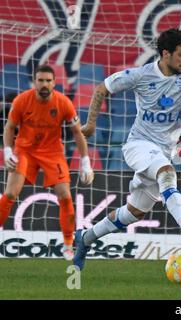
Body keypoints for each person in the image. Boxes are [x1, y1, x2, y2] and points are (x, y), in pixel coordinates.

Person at [73, 28, 181, 270]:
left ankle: (84, 238)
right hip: (138, 145)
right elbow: (102, 88)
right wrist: (91, 123)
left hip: (163, 152)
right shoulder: (141, 75)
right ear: (166, 54)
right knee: (167, 173)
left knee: (133, 213)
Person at [0, 65, 94, 260]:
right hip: (24, 150)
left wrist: (86, 162)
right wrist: (8, 151)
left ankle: (68, 245)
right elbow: (9, 128)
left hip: (52, 152)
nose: (44, 84)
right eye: (41, 80)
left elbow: (77, 132)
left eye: (48, 80)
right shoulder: (22, 101)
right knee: (10, 192)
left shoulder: (63, 103)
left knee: (65, 196)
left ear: (54, 82)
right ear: (35, 82)